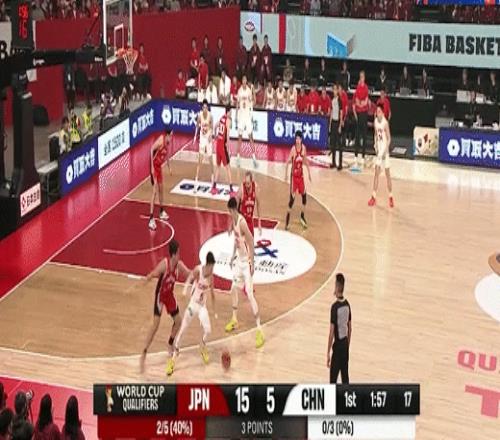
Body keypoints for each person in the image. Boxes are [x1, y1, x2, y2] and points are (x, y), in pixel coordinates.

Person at [140, 240, 192, 373]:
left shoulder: (179, 265)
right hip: (160, 296)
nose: (180, 255)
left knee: (178, 321)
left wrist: (199, 273)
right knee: (155, 326)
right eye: (178, 253)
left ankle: (170, 343)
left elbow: (189, 273)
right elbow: (154, 273)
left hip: (169, 295)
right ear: (173, 254)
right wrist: (148, 278)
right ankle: (144, 351)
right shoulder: (165, 264)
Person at [167, 252, 217, 375]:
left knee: (208, 330)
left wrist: (214, 311)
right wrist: (184, 290)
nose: (213, 269)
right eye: (212, 266)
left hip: (202, 307)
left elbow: (212, 294)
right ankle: (172, 360)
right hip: (193, 305)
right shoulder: (198, 270)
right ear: (208, 264)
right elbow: (189, 278)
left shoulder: (211, 277)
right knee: (183, 330)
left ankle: (202, 346)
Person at [224, 197, 264, 349]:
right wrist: (232, 255)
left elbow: (251, 241)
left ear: (232, 209)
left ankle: (259, 330)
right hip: (239, 262)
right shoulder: (234, 221)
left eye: (229, 211)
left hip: (246, 263)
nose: (228, 213)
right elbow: (236, 240)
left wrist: (252, 262)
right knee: (233, 289)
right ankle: (234, 319)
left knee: (250, 294)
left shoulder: (241, 222)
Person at [327, 273, 351, 384]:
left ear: (337, 286)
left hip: (338, 347)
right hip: (345, 345)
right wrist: (347, 345)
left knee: (333, 380)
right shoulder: (347, 305)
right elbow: (350, 328)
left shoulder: (334, 307)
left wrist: (328, 353)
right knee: (345, 378)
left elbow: (331, 332)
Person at [285, 131, 312, 230]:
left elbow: (306, 161)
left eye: (299, 139)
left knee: (304, 197)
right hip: (294, 177)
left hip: (301, 177)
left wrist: (309, 173)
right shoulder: (293, 149)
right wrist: (285, 175)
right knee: (292, 200)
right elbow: (287, 162)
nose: (297, 140)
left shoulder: (303, 148)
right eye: (296, 139)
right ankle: (287, 221)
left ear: (301, 140)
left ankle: (302, 216)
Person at [368, 104, 394, 208]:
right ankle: (373, 196)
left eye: (379, 112)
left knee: (387, 175)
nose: (377, 113)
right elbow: (375, 134)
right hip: (379, 151)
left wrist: (385, 151)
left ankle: (391, 196)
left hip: (385, 152)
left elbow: (389, 138)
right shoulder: (375, 121)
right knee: (376, 173)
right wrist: (375, 145)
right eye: (376, 111)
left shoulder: (385, 123)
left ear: (382, 113)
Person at [149, 128, 172, 231]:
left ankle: (162, 211)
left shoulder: (167, 143)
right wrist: (151, 167)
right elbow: (151, 149)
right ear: (167, 135)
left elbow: (167, 155)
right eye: (171, 135)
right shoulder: (161, 141)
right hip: (154, 167)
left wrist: (169, 167)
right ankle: (151, 219)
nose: (171, 137)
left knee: (161, 189)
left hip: (159, 167)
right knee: (154, 192)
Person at [212, 105, 235, 196]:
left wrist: (215, 136)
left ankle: (214, 187)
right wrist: (229, 150)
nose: (231, 114)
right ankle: (231, 188)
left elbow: (215, 126)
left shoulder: (222, 118)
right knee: (228, 168)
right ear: (228, 112)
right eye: (231, 112)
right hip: (223, 146)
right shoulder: (228, 120)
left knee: (218, 166)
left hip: (218, 144)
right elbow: (228, 136)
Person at [236, 75, 258, 168]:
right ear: (242, 81)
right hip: (241, 116)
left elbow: (254, 102)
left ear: (246, 81)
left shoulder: (249, 90)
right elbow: (237, 103)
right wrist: (236, 115)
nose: (244, 81)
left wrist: (253, 92)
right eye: (243, 80)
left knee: (250, 137)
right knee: (240, 137)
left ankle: (254, 157)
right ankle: (238, 157)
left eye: (245, 80)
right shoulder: (239, 91)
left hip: (247, 116)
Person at [193, 100, 214, 192]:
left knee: (210, 159)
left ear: (207, 108)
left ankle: (212, 179)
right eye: (203, 107)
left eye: (206, 107)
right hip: (202, 139)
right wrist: (195, 136)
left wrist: (211, 135)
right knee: (200, 160)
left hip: (208, 139)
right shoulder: (200, 115)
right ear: (202, 108)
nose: (205, 109)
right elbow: (197, 126)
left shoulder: (210, 116)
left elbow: (212, 127)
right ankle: (196, 181)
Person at [353, 70, 369, 169]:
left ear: (364, 78)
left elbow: (365, 102)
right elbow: (357, 101)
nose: (361, 78)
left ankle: (363, 156)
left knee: (364, 134)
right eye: (360, 76)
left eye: (362, 76)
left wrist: (362, 103)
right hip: (359, 113)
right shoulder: (358, 87)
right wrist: (360, 103)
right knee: (357, 134)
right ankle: (356, 155)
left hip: (364, 113)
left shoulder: (366, 88)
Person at [237, 171, 261, 237]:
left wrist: (259, 222)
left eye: (248, 183)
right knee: (241, 241)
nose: (246, 185)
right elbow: (235, 207)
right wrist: (233, 223)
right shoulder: (241, 189)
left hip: (250, 220)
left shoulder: (255, 188)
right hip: (242, 220)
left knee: (251, 241)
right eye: (245, 183)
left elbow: (258, 204)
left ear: (251, 181)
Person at [330, 84, 343, 170]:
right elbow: (331, 111)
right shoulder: (332, 100)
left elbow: (341, 113)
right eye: (333, 89)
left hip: (338, 122)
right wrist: (330, 124)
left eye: (335, 89)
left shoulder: (339, 100)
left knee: (339, 144)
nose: (334, 91)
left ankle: (340, 164)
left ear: (337, 91)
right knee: (333, 144)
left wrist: (340, 125)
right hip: (333, 122)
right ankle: (333, 162)